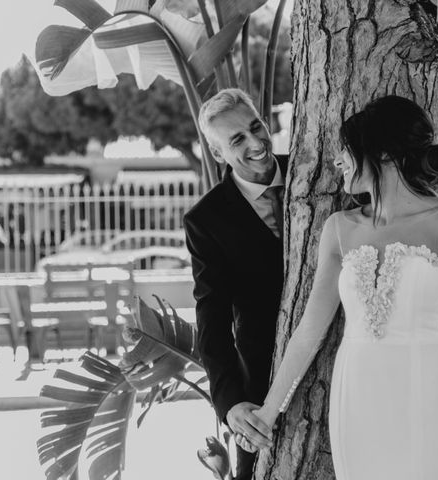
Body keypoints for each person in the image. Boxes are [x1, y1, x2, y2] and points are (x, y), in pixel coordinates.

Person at [251, 95, 438, 479]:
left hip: (426, 400)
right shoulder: (339, 230)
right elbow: (309, 333)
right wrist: (267, 412)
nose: (338, 160)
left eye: (345, 149)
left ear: (381, 152)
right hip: (356, 403)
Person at [183, 88, 285, 480]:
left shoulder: (315, 174)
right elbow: (212, 316)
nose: (256, 143)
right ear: (217, 153)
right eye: (237, 139)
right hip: (261, 380)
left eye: (255, 126)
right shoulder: (206, 220)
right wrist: (230, 403)